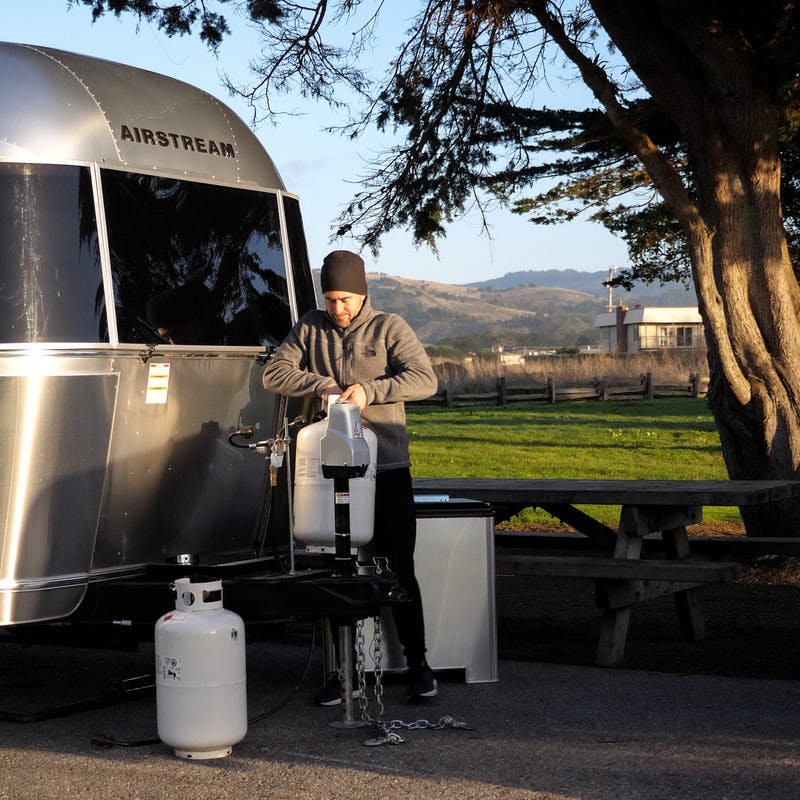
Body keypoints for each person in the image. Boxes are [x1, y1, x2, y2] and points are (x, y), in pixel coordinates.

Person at [262, 249, 439, 704]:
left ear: (363, 294)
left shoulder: (390, 327)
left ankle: (418, 665)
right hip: (331, 472)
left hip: (387, 468)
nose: (337, 308)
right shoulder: (309, 327)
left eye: (345, 299)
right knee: (337, 571)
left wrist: (370, 391)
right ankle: (344, 674)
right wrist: (320, 384)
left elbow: (424, 380)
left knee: (398, 566)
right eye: (330, 299)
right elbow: (274, 373)